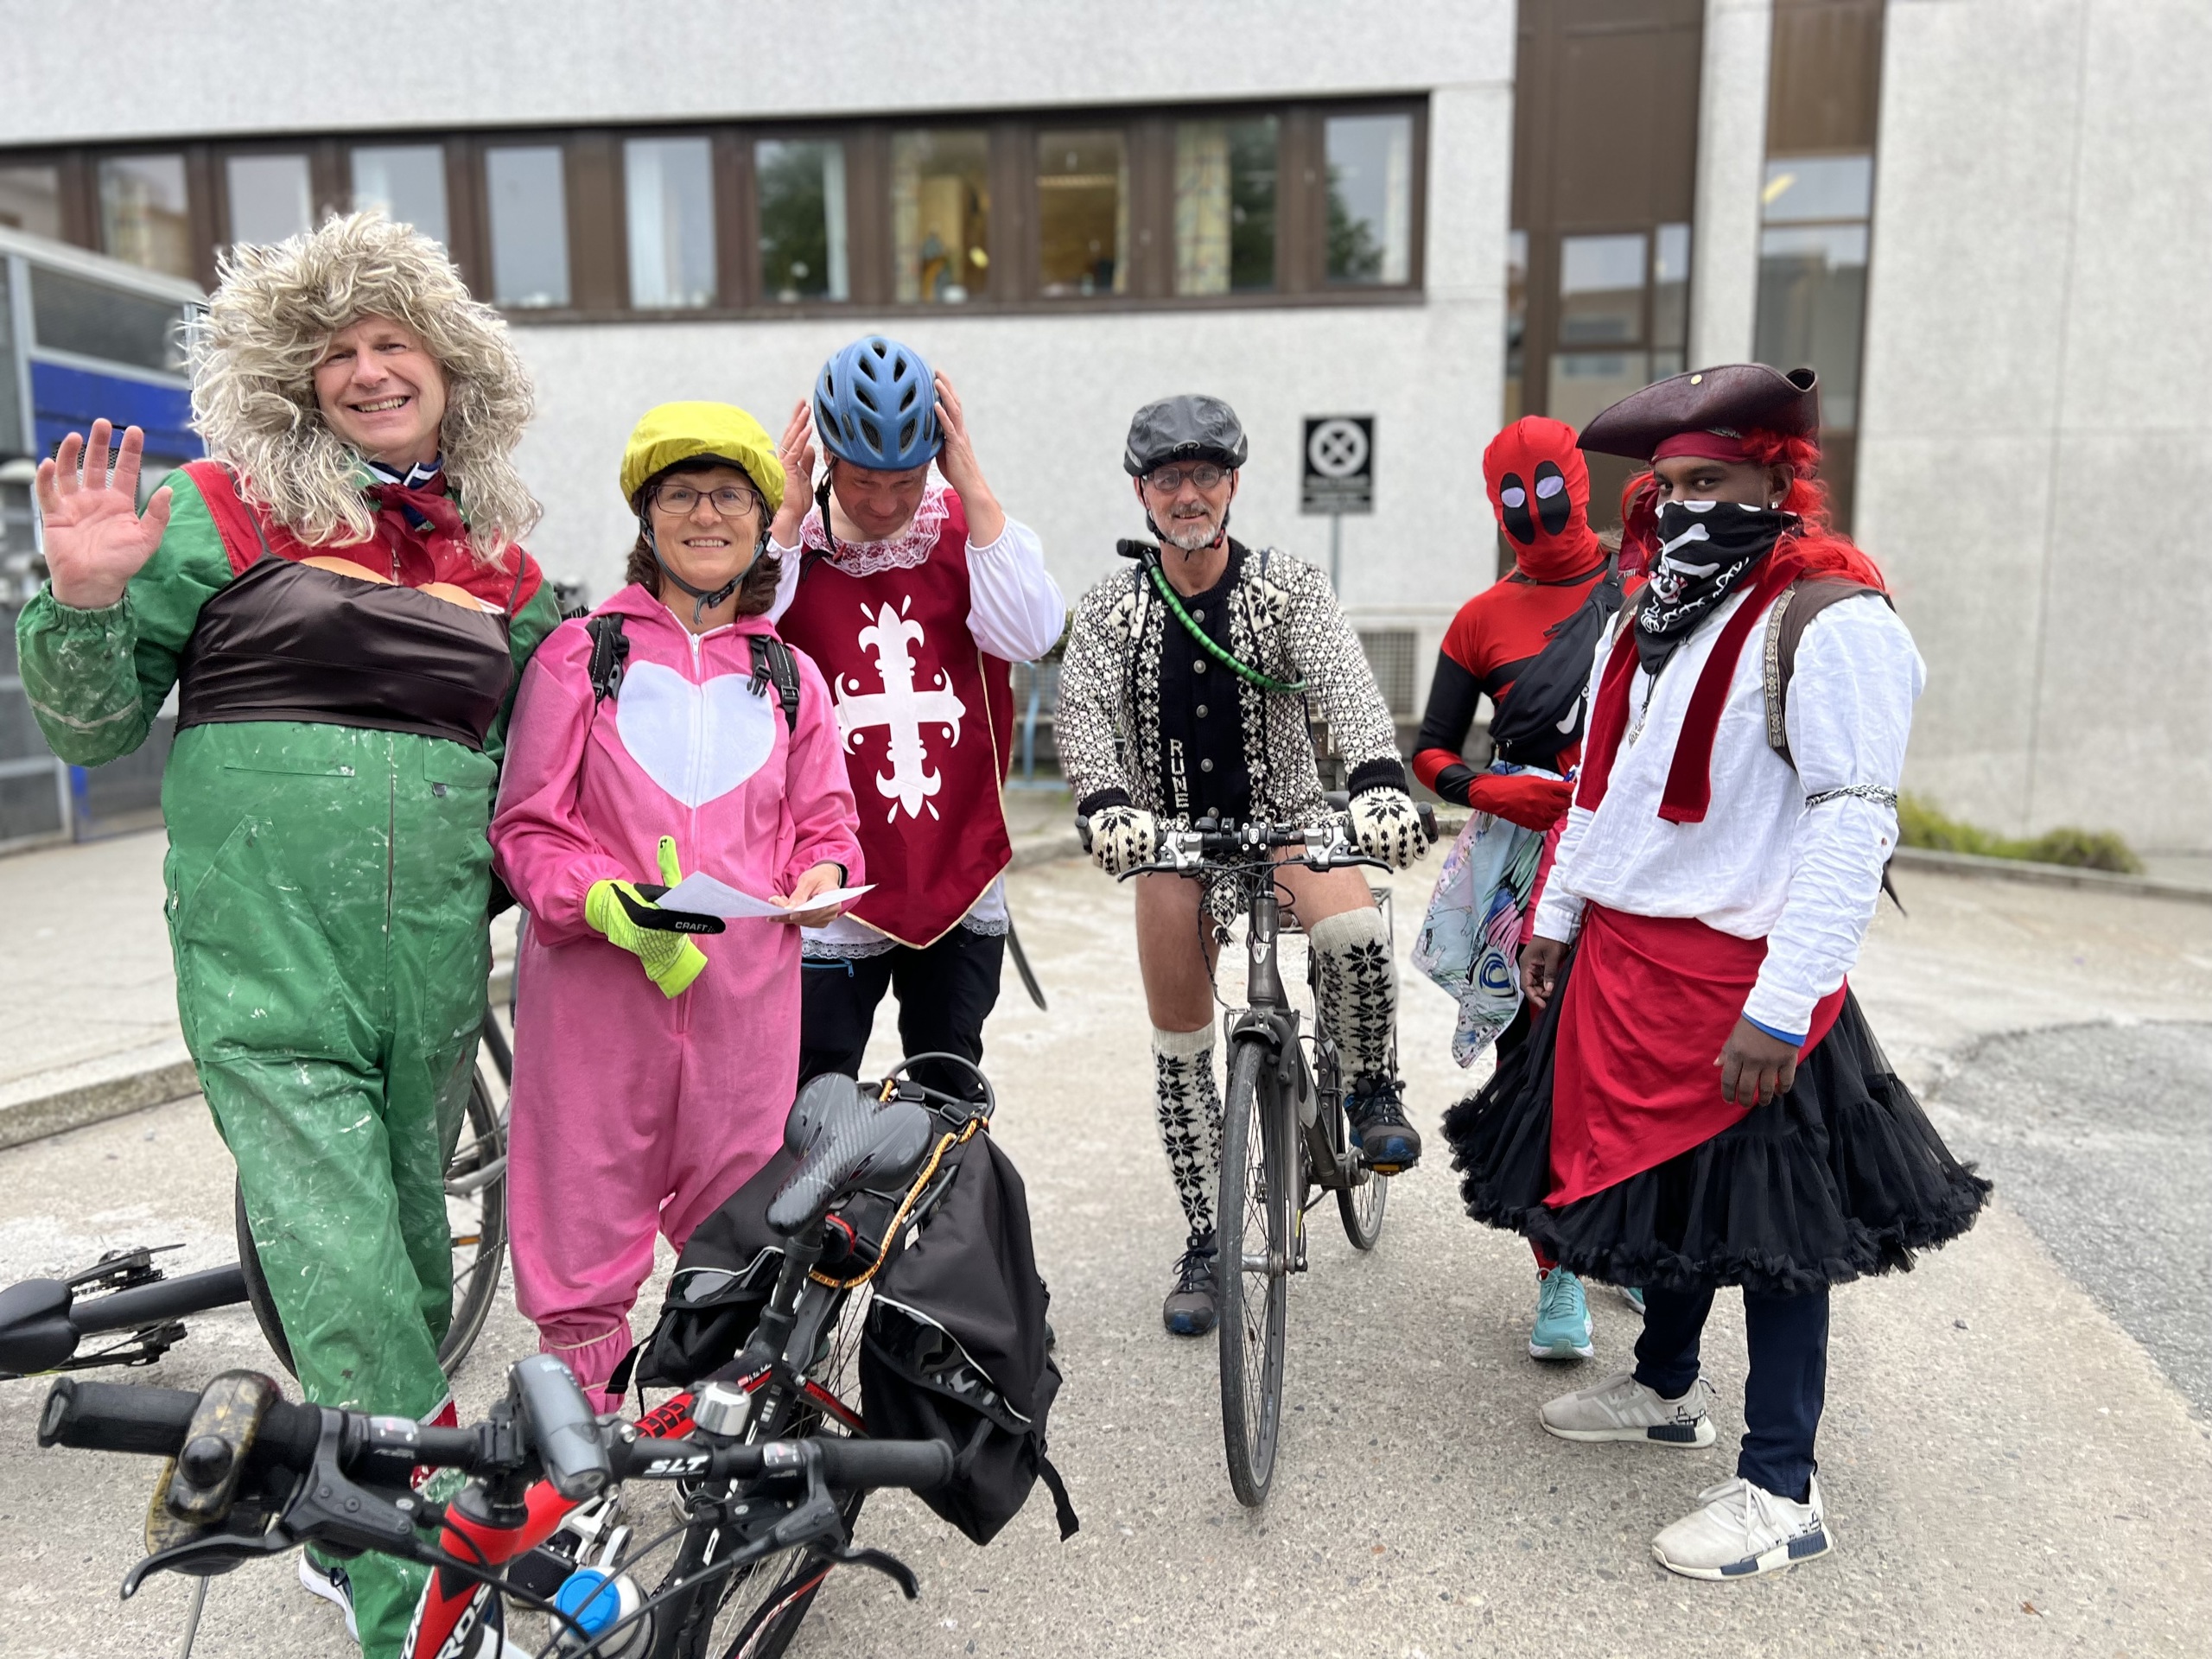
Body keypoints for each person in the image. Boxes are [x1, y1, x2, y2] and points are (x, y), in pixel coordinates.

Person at [16, 213, 560, 1654]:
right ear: (295, 382)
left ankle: (335, 1517)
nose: (370, 370)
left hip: (431, 972)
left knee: (410, 1259)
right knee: (351, 1274)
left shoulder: (504, 570)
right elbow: (92, 726)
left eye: (395, 342)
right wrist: (82, 601)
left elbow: (535, 781)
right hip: (269, 965)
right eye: (337, 352)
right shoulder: (217, 511)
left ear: (452, 366)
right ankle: (419, 1603)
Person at [1441, 364, 1989, 1580]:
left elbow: (1853, 821)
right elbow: (1603, 784)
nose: (1686, 505)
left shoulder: (1833, 621)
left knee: (1776, 1232)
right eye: (1671, 485)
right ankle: (1665, 1389)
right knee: (1664, 1193)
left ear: (1778, 485)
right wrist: (1557, 912)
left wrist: (1782, 1009)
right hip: (1626, 960)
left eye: (1715, 481)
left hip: (1745, 975)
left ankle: (1783, 1489)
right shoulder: (1651, 614)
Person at [490, 403, 863, 1409]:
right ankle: (584, 1451)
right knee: (579, 1252)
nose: (707, 516)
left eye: (730, 496)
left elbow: (827, 828)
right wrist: (600, 901)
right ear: (646, 518)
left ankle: (706, 1447)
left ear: (761, 520)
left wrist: (823, 881)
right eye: (682, 495)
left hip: (745, 1015)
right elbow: (526, 827)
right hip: (597, 1010)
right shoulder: (580, 656)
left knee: (738, 1242)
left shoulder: (790, 677)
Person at [1057, 393, 1432, 1337]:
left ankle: (1371, 1085)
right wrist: (1106, 806)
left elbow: (1346, 686)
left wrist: (1378, 784)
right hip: (1172, 841)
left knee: (1354, 928)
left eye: (1206, 475)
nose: (1188, 494)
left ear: (1232, 484)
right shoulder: (1108, 610)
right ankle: (1207, 1239)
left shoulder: (1288, 588)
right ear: (1141, 492)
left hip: (1287, 822)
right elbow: (1084, 716)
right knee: (1180, 1043)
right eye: (1168, 479)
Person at [764, 335, 1064, 1103]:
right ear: (828, 458)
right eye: (864, 481)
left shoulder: (967, 532)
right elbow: (742, 641)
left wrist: (970, 483)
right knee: (809, 1096)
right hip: (828, 878)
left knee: (949, 1091)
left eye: (907, 481)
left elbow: (1031, 635)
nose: (886, 504)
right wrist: (786, 518)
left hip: (957, 863)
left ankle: (947, 1193)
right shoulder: (792, 546)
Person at [1410, 416, 1640, 1362]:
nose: (1535, 514)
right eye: (1514, 500)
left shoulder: (1645, 587)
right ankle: (1557, 1272)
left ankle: (1619, 1232)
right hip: (1523, 864)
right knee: (1532, 1064)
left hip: (1631, 856)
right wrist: (1485, 787)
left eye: (1549, 492)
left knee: (1627, 1060)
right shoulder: (1480, 619)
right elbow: (1428, 749)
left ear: (1578, 485)